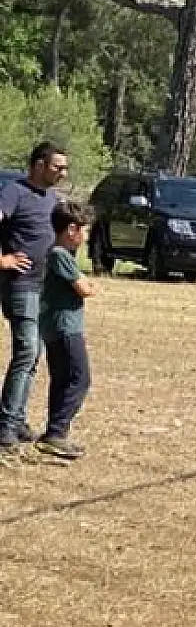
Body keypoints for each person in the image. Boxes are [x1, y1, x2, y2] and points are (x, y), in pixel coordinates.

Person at [0, 140, 69, 455]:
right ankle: (6, 428)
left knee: (33, 354)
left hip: (44, 289)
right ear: (39, 165)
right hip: (21, 284)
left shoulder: (52, 199)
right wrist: (2, 259)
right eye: (58, 167)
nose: (63, 173)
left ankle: (15, 418)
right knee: (27, 349)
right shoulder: (14, 192)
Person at [33, 203, 95, 462]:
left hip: (55, 328)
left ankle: (55, 434)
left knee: (61, 380)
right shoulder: (60, 255)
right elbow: (85, 289)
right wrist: (87, 284)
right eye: (84, 230)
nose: (87, 236)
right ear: (71, 229)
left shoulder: (59, 254)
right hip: (65, 327)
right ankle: (56, 432)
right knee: (80, 378)